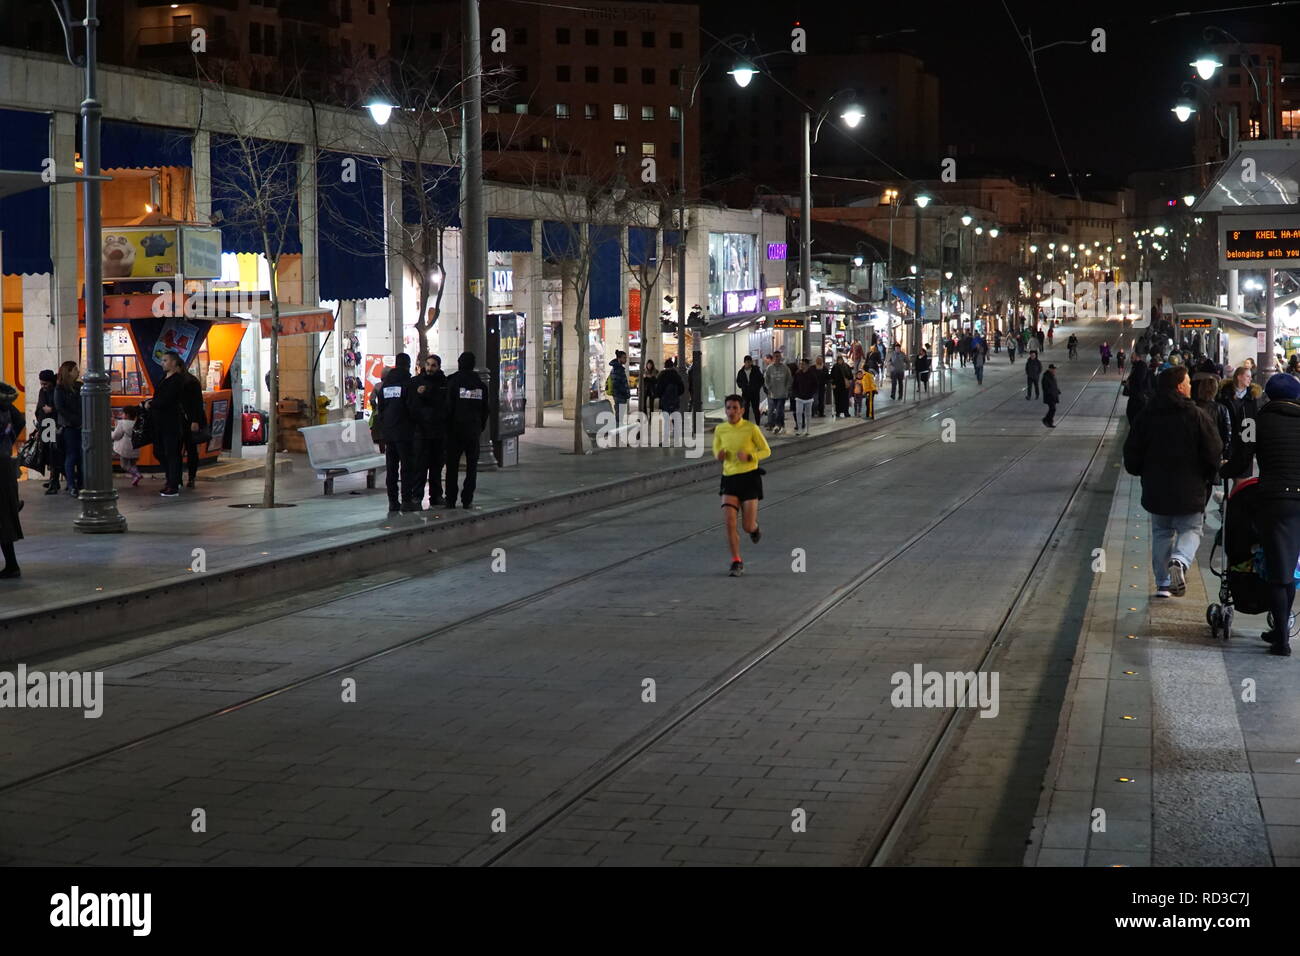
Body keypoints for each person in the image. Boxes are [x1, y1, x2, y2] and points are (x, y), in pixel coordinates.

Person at [1122, 366, 1222, 599]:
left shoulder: (1147, 414)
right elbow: (1213, 449)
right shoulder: (1196, 415)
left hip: (1156, 489)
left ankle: (1163, 584)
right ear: (1179, 386)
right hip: (1190, 487)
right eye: (1187, 382)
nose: (1190, 386)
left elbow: (1132, 450)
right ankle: (1181, 559)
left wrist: (1140, 471)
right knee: (1191, 529)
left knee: (1161, 533)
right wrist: (1209, 474)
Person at [1252, 372, 1300, 654]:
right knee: (1290, 565)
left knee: (1277, 569)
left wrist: (1222, 470)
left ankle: (1281, 639)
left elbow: (1241, 457)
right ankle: (1279, 631)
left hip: (1273, 499)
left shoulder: (1257, 420)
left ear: (1268, 394)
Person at [714, 393, 771, 577]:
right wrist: (719, 455)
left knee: (746, 525)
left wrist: (750, 456)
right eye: (728, 408)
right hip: (729, 478)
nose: (731, 411)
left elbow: (766, 451)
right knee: (730, 522)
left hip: (749, 479)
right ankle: (736, 561)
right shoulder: (720, 429)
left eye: (735, 408)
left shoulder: (751, 428)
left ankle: (755, 529)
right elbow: (716, 449)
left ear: (742, 411)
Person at [147, 351, 203, 498]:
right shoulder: (165, 379)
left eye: (165, 360)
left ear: (175, 364)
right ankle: (174, 479)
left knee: (182, 450)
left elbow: (194, 402)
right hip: (165, 421)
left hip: (177, 421)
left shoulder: (185, 381)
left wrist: (194, 420)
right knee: (164, 451)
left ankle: (182, 480)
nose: (162, 363)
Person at [444, 351, 492, 509]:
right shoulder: (480, 386)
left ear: (459, 363)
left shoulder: (453, 382)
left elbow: (448, 407)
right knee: (472, 466)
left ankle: (450, 499)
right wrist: (479, 427)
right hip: (473, 431)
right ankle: (467, 499)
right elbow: (485, 410)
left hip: (454, 431)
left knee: (452, 466)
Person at [376, 352, 417, 513]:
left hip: (389, 432)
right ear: (407, 365)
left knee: (391, 468)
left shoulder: (386, 385)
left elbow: (381, 408)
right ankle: (406, 500)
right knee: (407, 467)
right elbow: (412, 408)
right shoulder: (408, 383)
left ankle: (393, 502)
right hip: (405, 432)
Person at [407, 353, 447, 508]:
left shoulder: (444, 383)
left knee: (436, 467)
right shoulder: (415, 383)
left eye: (433, 365)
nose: (430, 368)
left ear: (438, 367)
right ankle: (417, 496)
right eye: (428, 364)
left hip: (437, 432)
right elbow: (411, 405)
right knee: (420, 467)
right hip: (420, 432)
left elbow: (445, 405)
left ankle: (436, 496)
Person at [1217, 367, 1262, 487]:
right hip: (1229, 443)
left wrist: (1252, 446)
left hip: (1245, 444)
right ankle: (1229, 502)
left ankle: (1232, 503)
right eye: (1247, 376)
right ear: (1239, 377)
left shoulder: (1252, 397)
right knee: (1230, 480)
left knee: (1242, 482)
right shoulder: (1224, 395)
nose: (1250, 379)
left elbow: (1253, 421)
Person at [0, 381, 23, 578]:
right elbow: (19, 420)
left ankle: (12, 565)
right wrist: (7, 442)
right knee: (4, 515)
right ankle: (12, 564)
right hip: (4, 463)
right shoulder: (5, 401)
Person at [53, 360, 83, 497]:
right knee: (72, 455)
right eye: (75, 369)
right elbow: (61, 408)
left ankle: (82, 483)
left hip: (81, 426)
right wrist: (76, 420)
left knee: (82, 456)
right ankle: (71, 485)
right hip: (69, 427)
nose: (78, 371)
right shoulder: (60, 389)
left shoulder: (79, 386)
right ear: (69, 372)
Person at [179, 362, 207, 489]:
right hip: (180, 420)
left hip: (188, 421)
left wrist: (195, 420)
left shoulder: (190, 382)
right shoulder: (173, 380)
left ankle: (190, 477)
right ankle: (184, 477)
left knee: (190, 449)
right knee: (186, 450)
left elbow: (197, 403)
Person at [34, 369, 62, 494]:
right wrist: (39, 429)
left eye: (45, 384)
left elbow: (60, 407)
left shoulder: (57, 391)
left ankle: (55, 481)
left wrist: (52, 410)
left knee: (55, 454)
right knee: (49, 454)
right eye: (42, 384)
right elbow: (40, 409)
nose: (43, 386)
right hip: (46, 426)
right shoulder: (44, 392)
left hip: (55, 426)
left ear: (51, 382)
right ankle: (53, 480)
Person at [111, 406, 143, 487]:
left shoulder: (122, 423)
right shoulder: (136, 424)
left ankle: (137, 474)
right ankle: (135, 477)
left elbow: (116, 436)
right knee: (133, 464)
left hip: (125, 450)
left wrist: (111, 433)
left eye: (123, 413)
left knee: (124, 465)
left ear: (127, 415)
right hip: (135, 448)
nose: (121, 415)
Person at [657, 357, 686, 444]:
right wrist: (676, 395)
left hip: (665, 401)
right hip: (674, 400)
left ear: (665, 366)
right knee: (675, 419)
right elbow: (682, 389)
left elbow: (658, 389)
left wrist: (660, 396)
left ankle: (665, 440)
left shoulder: (662, 375)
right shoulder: (676, 375)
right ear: (672, 366)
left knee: (666, 421)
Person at [762, 350, 791, 434]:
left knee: (779, 410)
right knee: (776, 410)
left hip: (782, 394)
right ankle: (780, 424)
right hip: (773, 394)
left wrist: (786, 388)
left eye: (778, 356)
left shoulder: (785, 368)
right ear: (773, 357)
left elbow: (789, 379)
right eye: (775, 356)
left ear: (780, 357)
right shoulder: (769, 368)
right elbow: (766, 379)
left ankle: (779, 425)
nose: (777, 358)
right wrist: (769, 387)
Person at [1124, 352, 1154, 425]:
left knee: (1133, 414)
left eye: (1132, 358)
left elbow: (1140, 379)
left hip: (1139, 396)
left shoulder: (1141, 366)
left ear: (1138, 357)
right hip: (1135, 395)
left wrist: (1129, 383)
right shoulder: (1136, 366)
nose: (1131, 360)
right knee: (1130, 413)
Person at [792, 358, 819, 436]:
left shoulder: (812, 374)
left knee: (808, 414)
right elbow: (794, 385)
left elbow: (815, 385)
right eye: (801, 364)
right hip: (799, 397)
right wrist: (796, 394)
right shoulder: (798, 374)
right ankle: (800, 429)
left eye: (803, 364)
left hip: (809, 397)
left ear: (807, 365)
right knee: (798, 413)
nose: (801, 365)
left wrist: (812, 393)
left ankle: (808, 429)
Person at [736, 355, 765, 423]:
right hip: (745, 393)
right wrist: (742, 386)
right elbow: (738, 381)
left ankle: (757, 424)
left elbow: (761, 380)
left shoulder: (756, 370)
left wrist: (757, 387)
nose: (749, 363)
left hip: (755, 393)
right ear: (744, 362)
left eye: (750, 362)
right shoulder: (741, 372)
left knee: (756, 409)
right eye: (747, 362)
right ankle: (746, 424)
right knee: (745, 409)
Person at [609, 350, 631, 428]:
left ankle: (618, 428)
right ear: (619, 358)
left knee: (619, 414)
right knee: (619, 414)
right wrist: (625, 393)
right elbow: (617, 384)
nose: (626, 359)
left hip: (620, 395)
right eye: (624, 358)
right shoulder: (617, 369)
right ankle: (617, 429)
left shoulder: (618, 368)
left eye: (626, 358)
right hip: (619, 396)